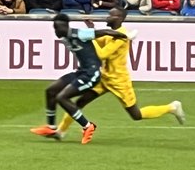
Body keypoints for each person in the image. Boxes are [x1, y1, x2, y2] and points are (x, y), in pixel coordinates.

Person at [54, 6, 186, 139]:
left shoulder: (121, 37)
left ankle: (171, 107)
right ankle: (60, 131)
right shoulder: (112, 32)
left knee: (136, 115)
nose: (107, 17)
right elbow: (98, 41)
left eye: (111, 15)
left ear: (119, 18)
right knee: (79, 102)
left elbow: (101, 54)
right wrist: (91, 30)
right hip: (104, 77)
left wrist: (87, 37)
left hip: (119, 80)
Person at [29, 13, 129, 141]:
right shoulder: (65, 37)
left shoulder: (79, 33)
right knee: (51, 91)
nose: (55, 31)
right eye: (54, 28)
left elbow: (104, 32)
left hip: (92, 74)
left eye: (57, 28)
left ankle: (87, 126)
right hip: (81, 72)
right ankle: (51, 127)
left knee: (62, 97)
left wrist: (125, 36)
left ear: (65, 26)